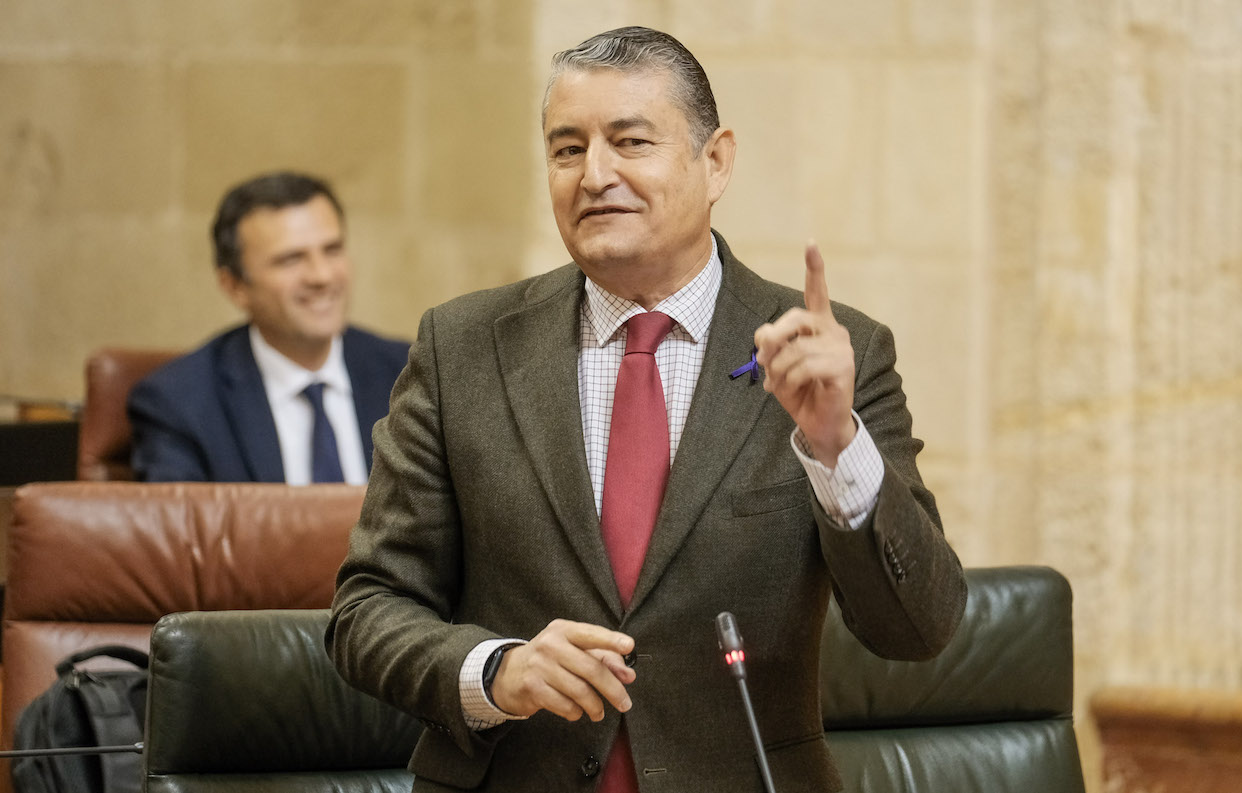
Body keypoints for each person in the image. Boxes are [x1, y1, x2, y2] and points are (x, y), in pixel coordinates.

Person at [327, 27, 966, 792]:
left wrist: (837, 447)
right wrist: (495, 670)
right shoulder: (461, 347)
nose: (595, 174)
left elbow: (918, 626)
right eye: (567, 150)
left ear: (716, 159)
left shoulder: (831, 353)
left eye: (630, 142)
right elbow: (368, 609)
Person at [127, 171, 410, 483]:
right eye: (291, 259)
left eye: (332, 250)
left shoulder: (413, 377)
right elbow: (178, 529)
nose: (322, 276)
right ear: (234, 286)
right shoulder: (180, 403)